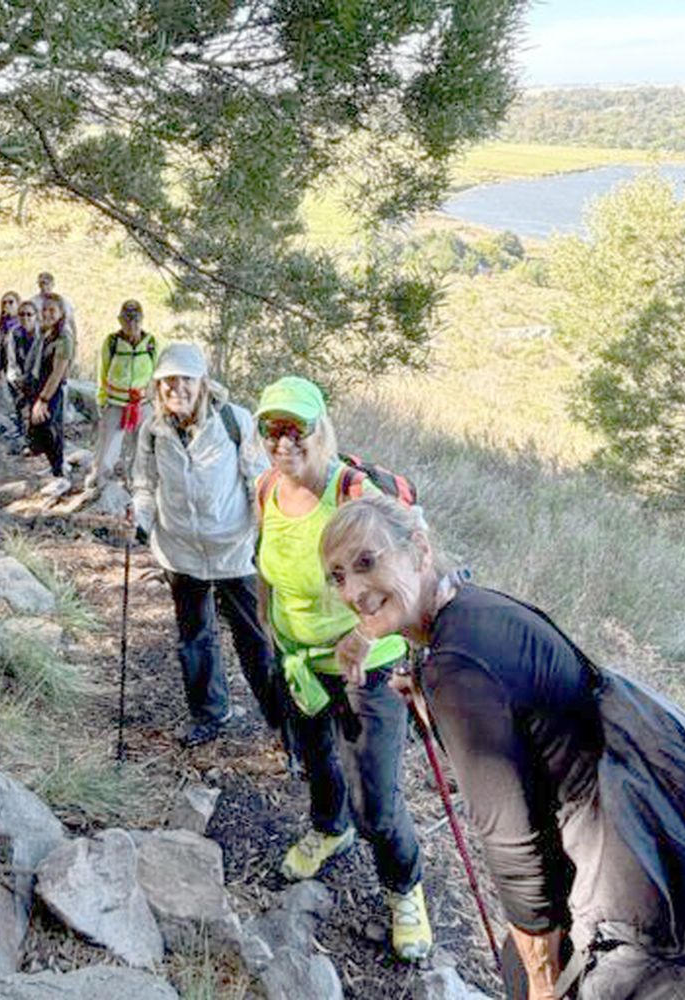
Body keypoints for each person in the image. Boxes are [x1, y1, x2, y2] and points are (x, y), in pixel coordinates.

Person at [320, 495, 685, 1000]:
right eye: (338, 576)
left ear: (418, 548)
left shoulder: (456, 665)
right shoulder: (475, 609)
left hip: (678, 930)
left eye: (367, 562)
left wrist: (542, 982)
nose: (352, 589)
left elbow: (514, 849)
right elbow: (536, 729)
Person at [251, 375, 432, 961]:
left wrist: (366, 632)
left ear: (320, 428)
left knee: (377, 799)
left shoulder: (352, 489)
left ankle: (405, 888)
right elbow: (268, 568)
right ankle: (329, 829)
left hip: (368, 670)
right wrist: (270, 629)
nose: (283, 441)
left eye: (295, 427)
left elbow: (415, 561)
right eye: (271, 428)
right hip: (300, 661)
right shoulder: (266, 491)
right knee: (314, 758)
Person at [131, 343, 279, 747]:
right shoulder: (153, 429)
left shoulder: (235, 421)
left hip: (234, 548)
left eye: (185, 380)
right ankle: (210, 713)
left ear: (202, 383)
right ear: (157, 386)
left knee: (256, 641)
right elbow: (144, 483)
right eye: (167, 382)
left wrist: (266, 534)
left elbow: (259, 480)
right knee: (194, 637)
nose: (176, 388)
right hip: (180, 550)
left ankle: (283, 724)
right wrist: (140, 518)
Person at [86, 299, 159, 491]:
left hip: (143, 403)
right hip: (115, 402)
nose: (132, 324)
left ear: (142, 319)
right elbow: (103, 371)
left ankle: (139, 484)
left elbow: (158, 373)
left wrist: (158, 401)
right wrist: (101, 398)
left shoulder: (150, 343)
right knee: (107, 445)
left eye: (136, 320)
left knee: (142, 445)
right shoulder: (112, 342)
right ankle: (99, 482)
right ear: (120, 320)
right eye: (127, 320)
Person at [24, 293, 73, 485]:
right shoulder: (46, 332)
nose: (47, 314)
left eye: (52, 310)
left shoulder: (64, 338)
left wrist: (43, 400)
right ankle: (53, 469)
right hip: (38, 386)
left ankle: (59, 472)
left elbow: (58, 372)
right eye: (44, 309)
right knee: (40, 430)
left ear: (61, 313)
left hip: (51, 390)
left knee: (52, 428)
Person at [0, 292, 34, 447]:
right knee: (17, 402)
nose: (7, 306)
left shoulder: (23, 323)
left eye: (11, 302)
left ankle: (28, 435)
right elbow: (2, 349)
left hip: (23, 371)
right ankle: (20, 429)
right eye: (4, 303)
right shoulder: (5, 323)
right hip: (10, 369)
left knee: (25, 403)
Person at [28, 271, 77, 354]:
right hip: (38, 339)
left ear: (52, 284)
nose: (43, 286)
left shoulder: (63, 302)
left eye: (46, 283)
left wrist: (74, 340)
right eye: (41, 284)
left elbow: (71, 321)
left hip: (60, 337)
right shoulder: (33, 302)